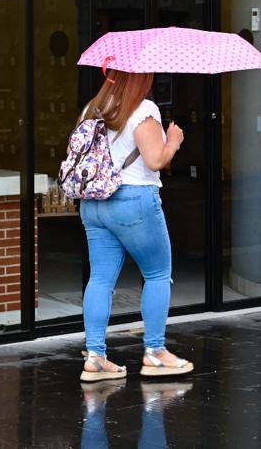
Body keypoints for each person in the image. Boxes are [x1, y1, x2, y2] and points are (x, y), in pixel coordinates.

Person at [77, 69, 193, 382]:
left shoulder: (93, 108)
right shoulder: (143, 110)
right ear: (141, 79)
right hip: (133, 199)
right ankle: (155, 353)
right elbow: (156, 160)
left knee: (100, 279)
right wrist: (174, 140)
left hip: (94, 203)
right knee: (157, 273)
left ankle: (95, 358)